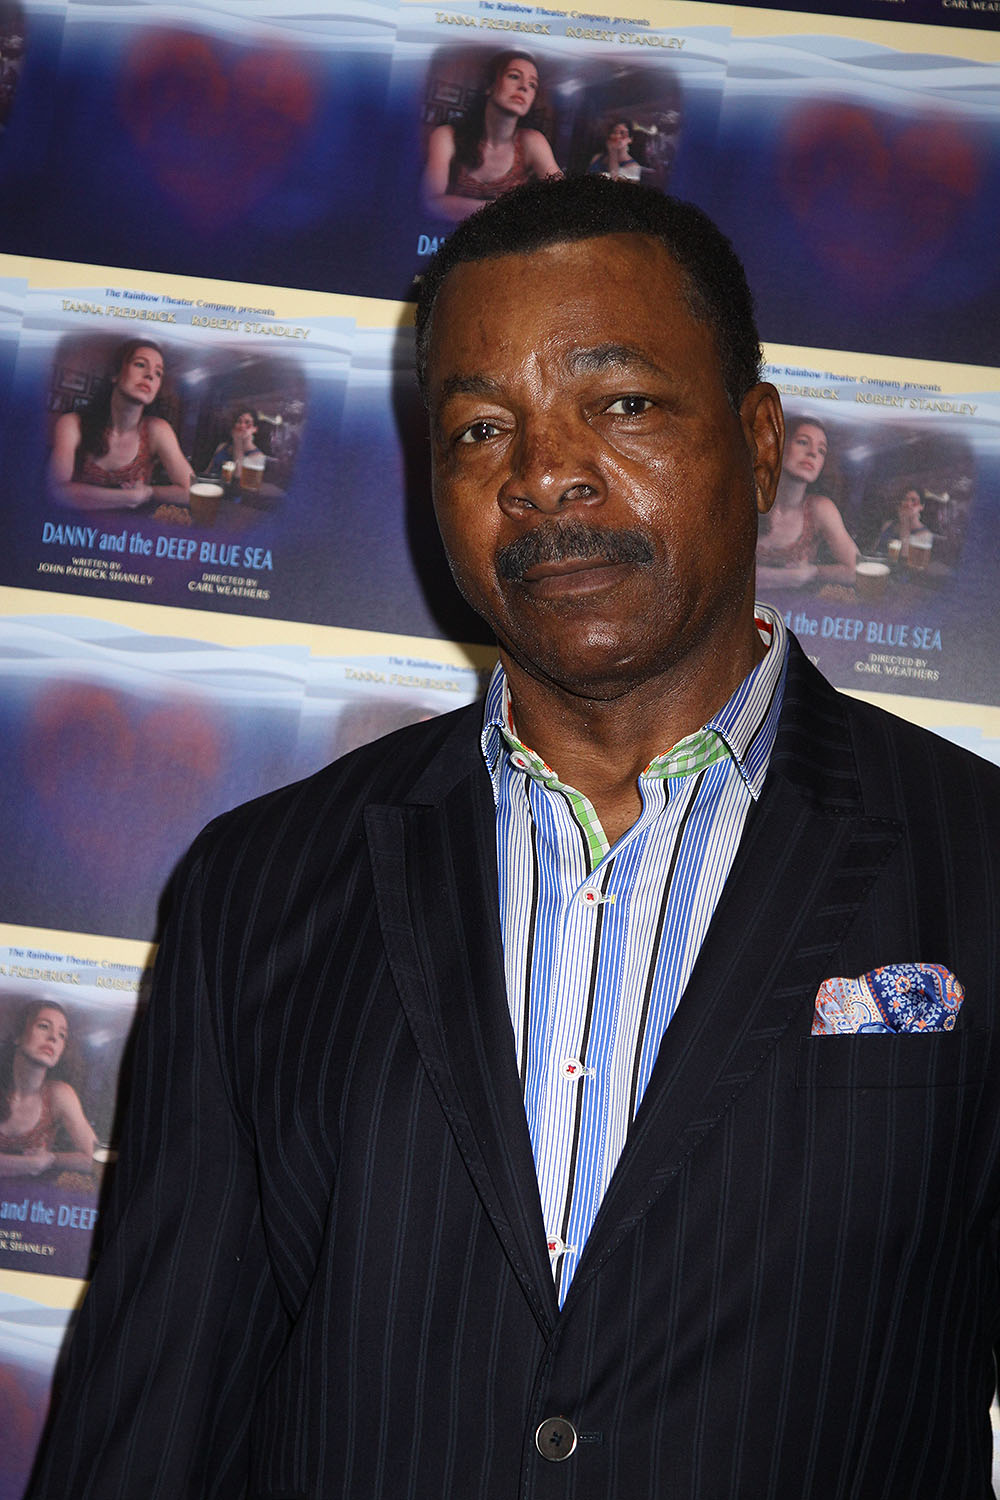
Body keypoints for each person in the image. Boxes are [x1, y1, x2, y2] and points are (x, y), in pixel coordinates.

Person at [29, 177, 1000, 1499]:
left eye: (623, 405)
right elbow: (152, 1414)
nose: (545, 473)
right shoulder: (259, 886)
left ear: (760, 442)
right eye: (481, 428)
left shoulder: (974, 863)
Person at [48, 340, 194, 512]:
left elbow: (192, 492)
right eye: (140, 364)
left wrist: (148, 492)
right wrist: (130, 497)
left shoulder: (157, 429)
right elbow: (57, 492)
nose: (150, 375)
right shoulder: (72, 423)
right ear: (115, 374)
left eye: (158, 373)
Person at [423, 50, 560, 222]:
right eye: (514, 76)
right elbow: (431, 204)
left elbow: (563, 201)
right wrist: (507, 211)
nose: (524, 87)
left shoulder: (532, 141)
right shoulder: (446, 135)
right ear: (490, 86)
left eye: (532, 85)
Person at [755, 415, 857, 588]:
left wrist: (814, 571)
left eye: (821, 451)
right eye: (803, 442)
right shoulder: (744, 496)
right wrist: (785, 577)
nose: (813, 453)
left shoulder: (819, 508)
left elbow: (856, 570)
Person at [0, 1000, 96, 1178]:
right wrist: (29, 1164)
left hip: (33, 1195)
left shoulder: (58, 1094)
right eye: (44, 1026)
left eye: (62, 1035)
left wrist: (52, 1158)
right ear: (18, 1035)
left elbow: (94, 1158)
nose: (53, 1038)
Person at [206, 406, 263, 483]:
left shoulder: (257, 456)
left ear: (255, 429)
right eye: (239, 421)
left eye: (247, 423)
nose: (242, 425)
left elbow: (238, 478)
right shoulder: (222, 446)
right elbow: (207, 472)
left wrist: (238, 442)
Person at [877, 486, 932, 558]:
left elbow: (905, 558)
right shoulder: (888, 524)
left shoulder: (925, 534)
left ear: (921, 506)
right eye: (905, 499)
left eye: (914, 501)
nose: (908, 504)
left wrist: (905, 524)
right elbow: (875, 551)